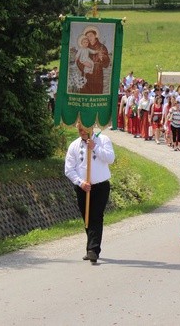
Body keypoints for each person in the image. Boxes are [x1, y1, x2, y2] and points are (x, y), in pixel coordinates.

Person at [64, 122, 116, 262]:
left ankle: (93, 250)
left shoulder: (103, 140)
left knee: (96, 216)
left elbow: (110, 158)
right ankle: (90, 247)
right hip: (83, 187)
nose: (82, 131)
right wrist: (81, 183)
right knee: (87, 217)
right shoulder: (74, 145)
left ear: (91, 127)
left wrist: (95, 147)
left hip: (100, 186)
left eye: (84, 128)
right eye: (79, 129)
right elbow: (69, 169)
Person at [77, 27, 111, 95]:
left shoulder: (102, 47)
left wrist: (102, 58)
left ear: (95, 35)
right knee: (84, 93)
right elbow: (78, 60)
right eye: (87, 36)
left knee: (96, 93)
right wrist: (84, 66)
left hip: (97, 75)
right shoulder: (84, 46)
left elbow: (107, 63)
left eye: (91, 35)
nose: (89, 38)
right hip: (86, 74)